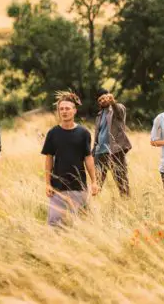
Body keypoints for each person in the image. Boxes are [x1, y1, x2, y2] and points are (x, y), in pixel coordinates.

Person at [41, 91, 100, 227]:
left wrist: (94, 181)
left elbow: (88, 158)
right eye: (61, 109)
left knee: (79, 225)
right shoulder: (52, 133)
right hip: (57, 188)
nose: (64, 111)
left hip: (78, 187)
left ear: (74, 111)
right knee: (54, 224)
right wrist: (48, 183)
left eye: (67, 108)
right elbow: (49, 159)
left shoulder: (83, 133)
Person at [93, 88, 132, 198]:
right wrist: (94, 150)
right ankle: (93, 206)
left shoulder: (117, 108)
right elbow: (98, 133)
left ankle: (126, 203)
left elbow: (119, 112)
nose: (102, 101)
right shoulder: (99, 114)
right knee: (97, 181)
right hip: (100, 152)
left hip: (115, 151)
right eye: (99, 100)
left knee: (121, 180)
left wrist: (113, 102)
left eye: (103, 98)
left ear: (109, 96)